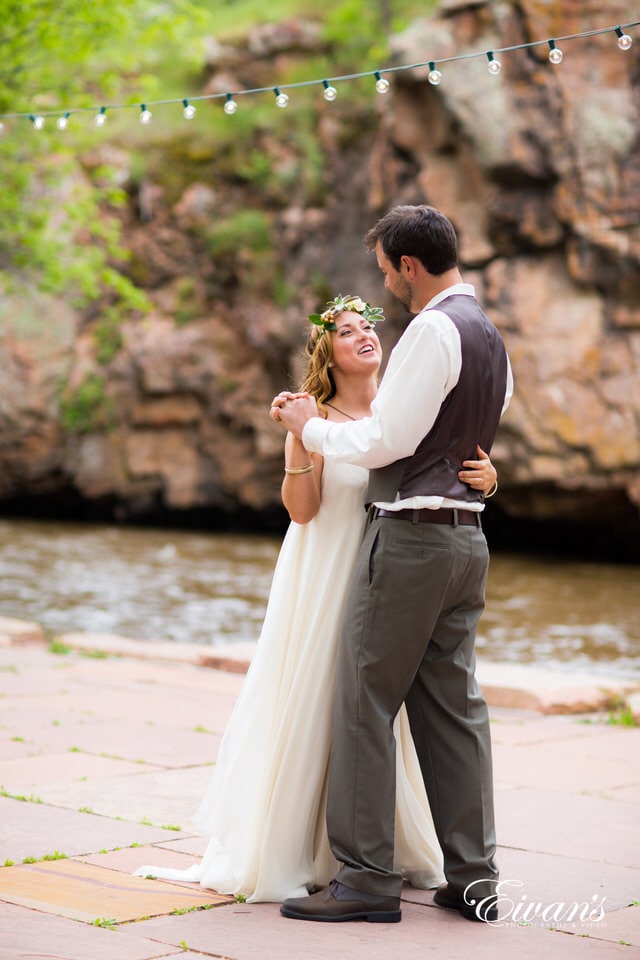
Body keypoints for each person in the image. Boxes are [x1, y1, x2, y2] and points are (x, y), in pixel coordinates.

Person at [134, 292, 497, 902]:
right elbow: (301, 513)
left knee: (383, 708)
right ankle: (311, 846)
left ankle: (372, 848)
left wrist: (492, 478)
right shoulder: (313, 417)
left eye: (367, 327)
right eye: (347, 332)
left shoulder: (407, 411)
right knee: (329, 698)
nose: (363, 336)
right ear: (328, 355)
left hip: (396, 571)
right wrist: (302, 444)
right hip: (327, 570)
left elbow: (450, 473)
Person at [274, 205, 513, 925]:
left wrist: (306, 427)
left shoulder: (434, 329)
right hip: (467, 541)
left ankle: (367, 880)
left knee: (364, 700)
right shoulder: (491, 335)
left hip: (410, 540)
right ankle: (474, 878)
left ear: (409, 266)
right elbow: (476, 428)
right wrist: (484, 477)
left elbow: (387, 439)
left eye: (386, 271)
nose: (387, 287)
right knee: (455, 711)